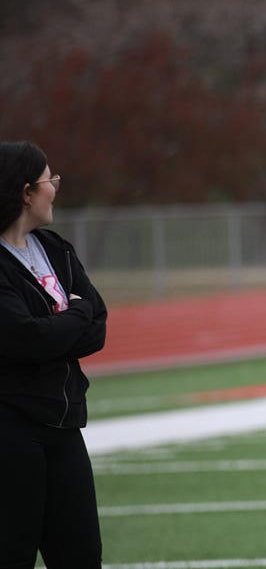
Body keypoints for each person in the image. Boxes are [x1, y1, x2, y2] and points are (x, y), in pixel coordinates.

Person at [0, 141, 107, 568]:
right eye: (50, 180)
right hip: (11, 429)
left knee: (82, 556)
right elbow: (26, 338)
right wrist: (75, 314)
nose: (56, 188)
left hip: (64, 425)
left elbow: (97, 324)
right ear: (26, 192)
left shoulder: (55, 248)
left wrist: (60, 327)